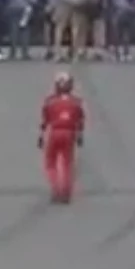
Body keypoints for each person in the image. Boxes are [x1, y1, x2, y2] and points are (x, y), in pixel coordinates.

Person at [39, 72, 86, 203]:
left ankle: (56, 189)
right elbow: (80, 120)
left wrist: (41, 136)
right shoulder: (76, 102)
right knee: (67, 163)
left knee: (50, 163)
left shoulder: (50, 101)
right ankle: (66, 191)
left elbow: (45, 120)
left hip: (55, 131)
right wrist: (80, 135)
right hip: (70, 132)